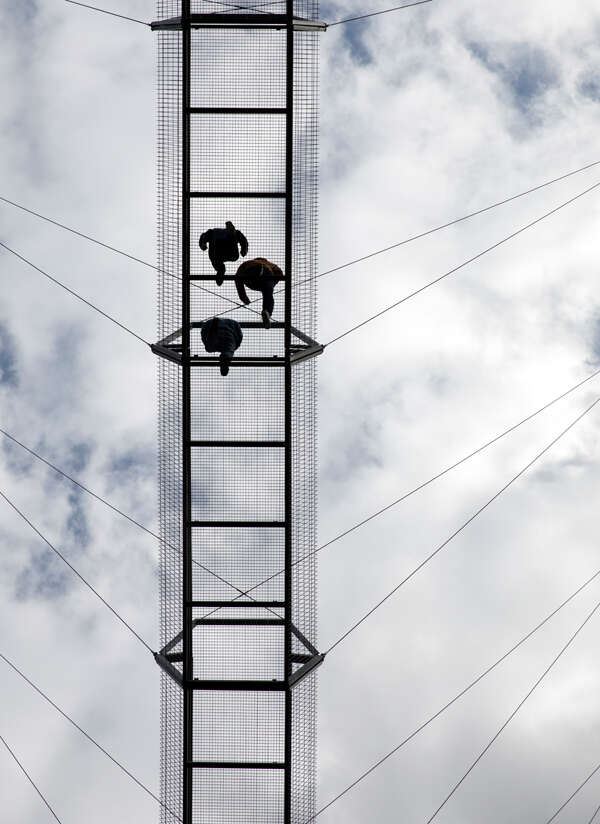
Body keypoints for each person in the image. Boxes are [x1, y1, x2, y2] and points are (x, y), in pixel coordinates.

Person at [234, 257, 283, 329]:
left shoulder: (247, 262)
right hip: (264, 272)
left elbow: (237, 279)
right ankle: (267, 312)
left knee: (265, 288)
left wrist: (244, 298)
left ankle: (267, 312)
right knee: (268, 294)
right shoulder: (268, 264)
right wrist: (271, 285)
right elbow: (279, 273)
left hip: (249, 276)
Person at [199, 221, 248, 286]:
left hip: (216, 247)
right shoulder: (236, 233)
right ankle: (231, 235)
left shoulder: (212, 232)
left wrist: (203, 243)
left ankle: (231, 235)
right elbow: (243, 241)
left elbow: (204, 235)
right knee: (234, 256)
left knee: (219, 266)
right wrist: (244, 249)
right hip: (228, 246)